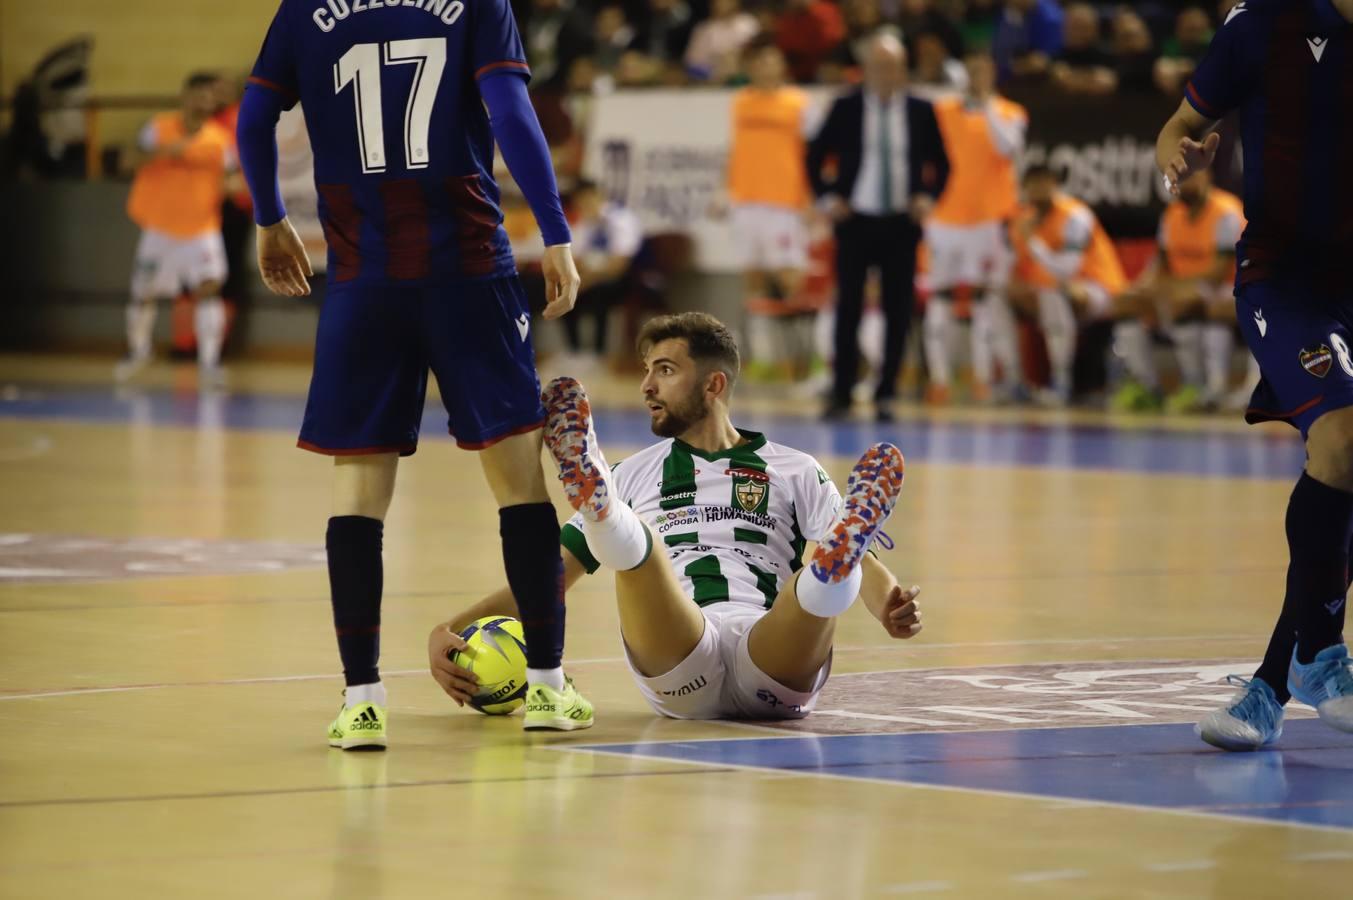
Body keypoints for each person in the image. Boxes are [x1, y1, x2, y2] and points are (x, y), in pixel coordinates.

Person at [236, 0, 592, 749]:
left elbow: (253, 116)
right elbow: (510, 114)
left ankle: (361, 700)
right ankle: (549, 689)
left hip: (364, 280)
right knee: (517, 481)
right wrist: (555, 231)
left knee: (356, 493)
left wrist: (270, 218)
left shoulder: (305, 11)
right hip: (467, 272)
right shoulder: (476, 4)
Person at [428, 313, 923, 719]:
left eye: (664, 370)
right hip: (680, 649)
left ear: (713, 384)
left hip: (769, 647)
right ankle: (601, 511)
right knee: (639, 547)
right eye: (646, 371)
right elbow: (548, 577)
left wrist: (888, 606)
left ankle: (829, 576)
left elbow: (869, 564)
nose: (646, 385)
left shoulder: (796, 469)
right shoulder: (637, 473)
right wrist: (450, 628)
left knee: (810, 581)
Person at [1158, 0, 1353, 751]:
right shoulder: (1261, 26)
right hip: (1284, 277)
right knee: (1339, 441)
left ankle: (1274, 681)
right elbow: (1174, 126)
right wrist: (1175, 157)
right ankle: (1311, 655)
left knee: (1346, 470)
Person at [807, 32, 950, 421]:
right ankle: (842, 392)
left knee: (897, 309)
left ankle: (887, 392)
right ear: (866, 69)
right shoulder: (846, 107)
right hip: (856, 220)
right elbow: (814, 155)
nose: (886, 73)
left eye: (894, 66)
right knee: (849, 306)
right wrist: (827, 196)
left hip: (902, 222)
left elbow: (943, 163)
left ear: (904, 70)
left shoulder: (921, 110)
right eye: (879, 66)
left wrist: (928, 195)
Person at [118, 72, 235, 388]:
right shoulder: (159, 128)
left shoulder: (220, 139)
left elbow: (233, 176)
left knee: (209, 288)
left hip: (201, 229)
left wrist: (236, 185)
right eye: (200, 94)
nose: (205, 101)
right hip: (160, 228)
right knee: (143, 294)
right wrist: (164, 152)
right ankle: (139, 353)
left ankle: (209, 363)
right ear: (185, 95)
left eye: (211, 96)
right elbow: (127, 160)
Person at [925, 50, 1027, 404]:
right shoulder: (943, 111)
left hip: (989, 220)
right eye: (971, 70)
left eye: (983, 70)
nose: (976, 76)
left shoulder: (1009, 112)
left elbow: (1009, 147)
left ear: (993, 74)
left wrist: (986, 107)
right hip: (945, 219)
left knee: (985, 298)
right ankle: (940, 379)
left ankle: (983, 377)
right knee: (941, 296)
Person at [1111, 169, 1245, 414]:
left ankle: (1198, 386)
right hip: (1183, 289)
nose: (1182, 185)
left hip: (1230, 289)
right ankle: (1148, 387)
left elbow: (1217, 273)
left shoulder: (1226, 211)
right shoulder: (1172, 214)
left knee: (1184, 303)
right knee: (1126, 306)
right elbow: (1159, 264)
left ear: (1206, 177)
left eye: (1189, 179)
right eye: (1177, 181)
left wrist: (1170, 289)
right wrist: (1141, 288)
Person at [1007, 165, 1126, 406]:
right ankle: (1012, 382)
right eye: (1033, 185)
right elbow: (1017, 268)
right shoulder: (1025, 219)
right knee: (998, 295)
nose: (1038, 190)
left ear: (1055, 185)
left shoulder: (1075, 216)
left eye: (1044, 183)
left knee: (1053, 291)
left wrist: (1034, 242)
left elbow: (1066, 270)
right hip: (1053, 291)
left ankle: (1061, 382)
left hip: (1099, 288)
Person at [727, 39, 813, 311]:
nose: (764, 66)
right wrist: (724, 188)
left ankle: (794, 346)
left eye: (770, 60)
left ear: (782, 66)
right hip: (745, 199)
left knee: (788, 272)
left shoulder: (799, 103)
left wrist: (810, 198)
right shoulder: (740, 102)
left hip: (784, 201)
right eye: (759, 61)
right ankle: (757, 347)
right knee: (752, 272)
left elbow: (814, 154)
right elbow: (736, 150)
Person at [561, 180, 643, 365]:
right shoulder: (583, 225)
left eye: (587, 200)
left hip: (622, 278)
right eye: (579, 203)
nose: (584, 206)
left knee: (601, 292)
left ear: (598, 196)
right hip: (590, 277)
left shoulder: (621, 220)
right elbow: (576, 259)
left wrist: (586, 281)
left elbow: (619, 265)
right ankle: (575, 352)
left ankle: (599, 353)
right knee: (565, 291)